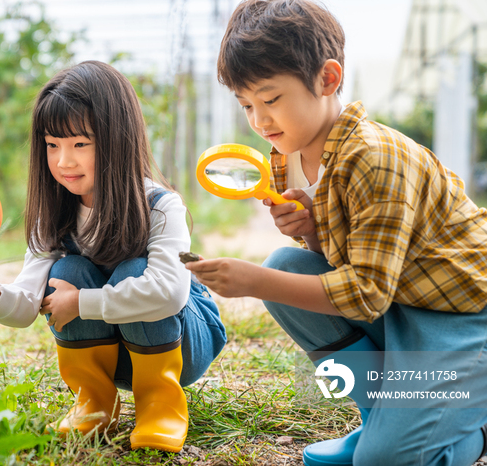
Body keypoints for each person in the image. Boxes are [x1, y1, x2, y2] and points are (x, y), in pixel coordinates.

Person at [186, 1, 487, 465]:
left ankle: (474, 426)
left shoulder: (374, 158)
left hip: (464, 317)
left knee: (381, 462)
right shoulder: (289, 155)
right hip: (405, 303)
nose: (259, 122)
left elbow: (365, 293)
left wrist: (251, 283)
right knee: (287, 266)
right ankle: (379, 414)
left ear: (327, 79)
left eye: (270, 99)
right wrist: (312, 235)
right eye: (246, 105)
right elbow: (350, 262)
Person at [0, 60, 227, 453]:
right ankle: (95, 404)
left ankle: (160, 406)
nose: (64, 161)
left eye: (80, 144)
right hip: (118, 352)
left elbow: (169, 294)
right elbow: (28, 304)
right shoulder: (54, 217)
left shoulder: (161, 206)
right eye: (53, 145)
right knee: (67, 270)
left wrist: (81, 303)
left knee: (135, 270)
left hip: (183, 343)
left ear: (117, 139)